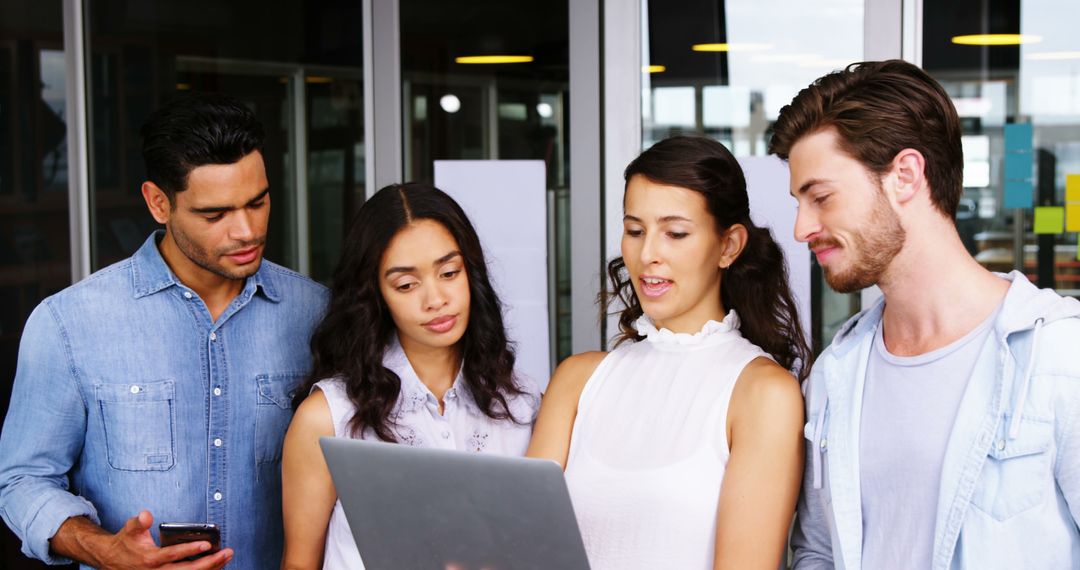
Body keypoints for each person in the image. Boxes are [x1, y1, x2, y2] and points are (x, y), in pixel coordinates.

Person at [770, 59, 1080, 569]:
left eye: (821, 197)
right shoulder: (836, 375)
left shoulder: (1057, 357)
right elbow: (819, 551)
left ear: (906, 176)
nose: (803, 227)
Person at [0, 93, 328, 569]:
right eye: (215, 214)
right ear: (158, 203)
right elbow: (22, 480)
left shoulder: (317, 314)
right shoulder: (69, 323)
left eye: (257, 203)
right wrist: (104, 549)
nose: (246, 230)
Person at [527, 136, 809, 569]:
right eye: (635, 230)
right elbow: (520, 547)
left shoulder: (762, 393)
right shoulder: (578, 380)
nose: (647, 254)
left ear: (729, 246)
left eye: (675, 233)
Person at [280, 183, 541, 570]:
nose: (435, 299)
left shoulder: (520, 400)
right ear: (376, 295)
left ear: (471, 274)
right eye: (406, 284)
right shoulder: (328, 416)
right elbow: (300, 564)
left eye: (449, 272)